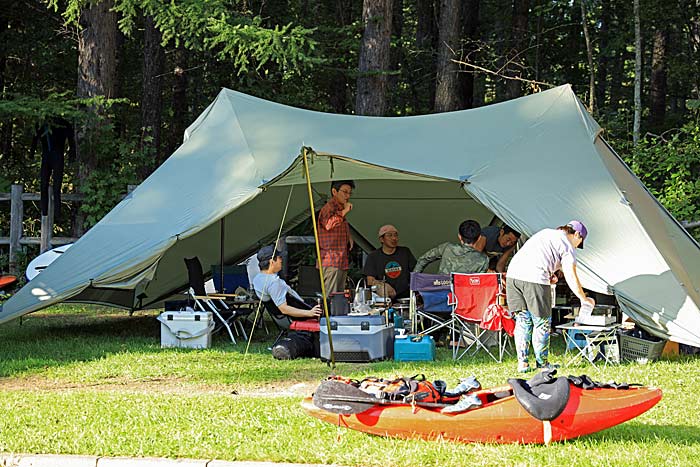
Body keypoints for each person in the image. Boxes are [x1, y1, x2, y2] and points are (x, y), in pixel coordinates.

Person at [506, 220, 596, 373]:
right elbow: (571, 276)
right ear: (577, 234)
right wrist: (584, 299)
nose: (576, 247)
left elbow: (537, 257)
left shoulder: (545, 233)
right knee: (541, 323)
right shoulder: (567, 246)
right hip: (534, 278)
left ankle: (523, 364)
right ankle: (542, 364)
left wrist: (550, 274)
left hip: (513, 276)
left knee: (523, 320)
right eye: (578, 243)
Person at [252, 245, 322, 360]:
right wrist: (310, 313)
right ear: (271, 261)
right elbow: (284, 308)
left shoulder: (258, 278)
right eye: (279, 258)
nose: (281, 260)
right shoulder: (273, 283)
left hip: (284, 315)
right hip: (294, 316)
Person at [30, 117, 76, 220]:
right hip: (46, 155)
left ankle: (57, 213)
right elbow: (35, 138)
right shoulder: (42, 123)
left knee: (57, 186)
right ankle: (44, 211)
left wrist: (72, 156)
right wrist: (31, 152)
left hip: (58, 155)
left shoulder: (64, 123)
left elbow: (71, 140)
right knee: (43, 184)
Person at [317, 180, 355, 294]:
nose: (347, 196)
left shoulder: (340, 207)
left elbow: (340, 225)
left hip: (340, 259)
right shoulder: (328, 207)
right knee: (331, 297)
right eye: (345, 192)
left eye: (349, 193)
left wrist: (349, 237)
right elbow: (328, 224)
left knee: (339, 297)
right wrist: (344, 211)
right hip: (330, 260)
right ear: (334, 191)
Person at [413, 220, 489, 275]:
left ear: (459, 236)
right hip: (463, 296)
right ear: (479, 238)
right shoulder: (483, 260)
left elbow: (423, 259)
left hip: (440, 294)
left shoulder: (446, 248)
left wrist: (414, 282)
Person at [363, 225, 417, 300]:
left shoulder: (405, 252)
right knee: (381, 288)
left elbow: (416, 273)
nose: (394, 238)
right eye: (389, 235)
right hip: (385, 297)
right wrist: (384, 285)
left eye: (395, 235)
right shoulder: (373, 256)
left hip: (406, 297)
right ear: (382, 239)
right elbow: (370, 281)